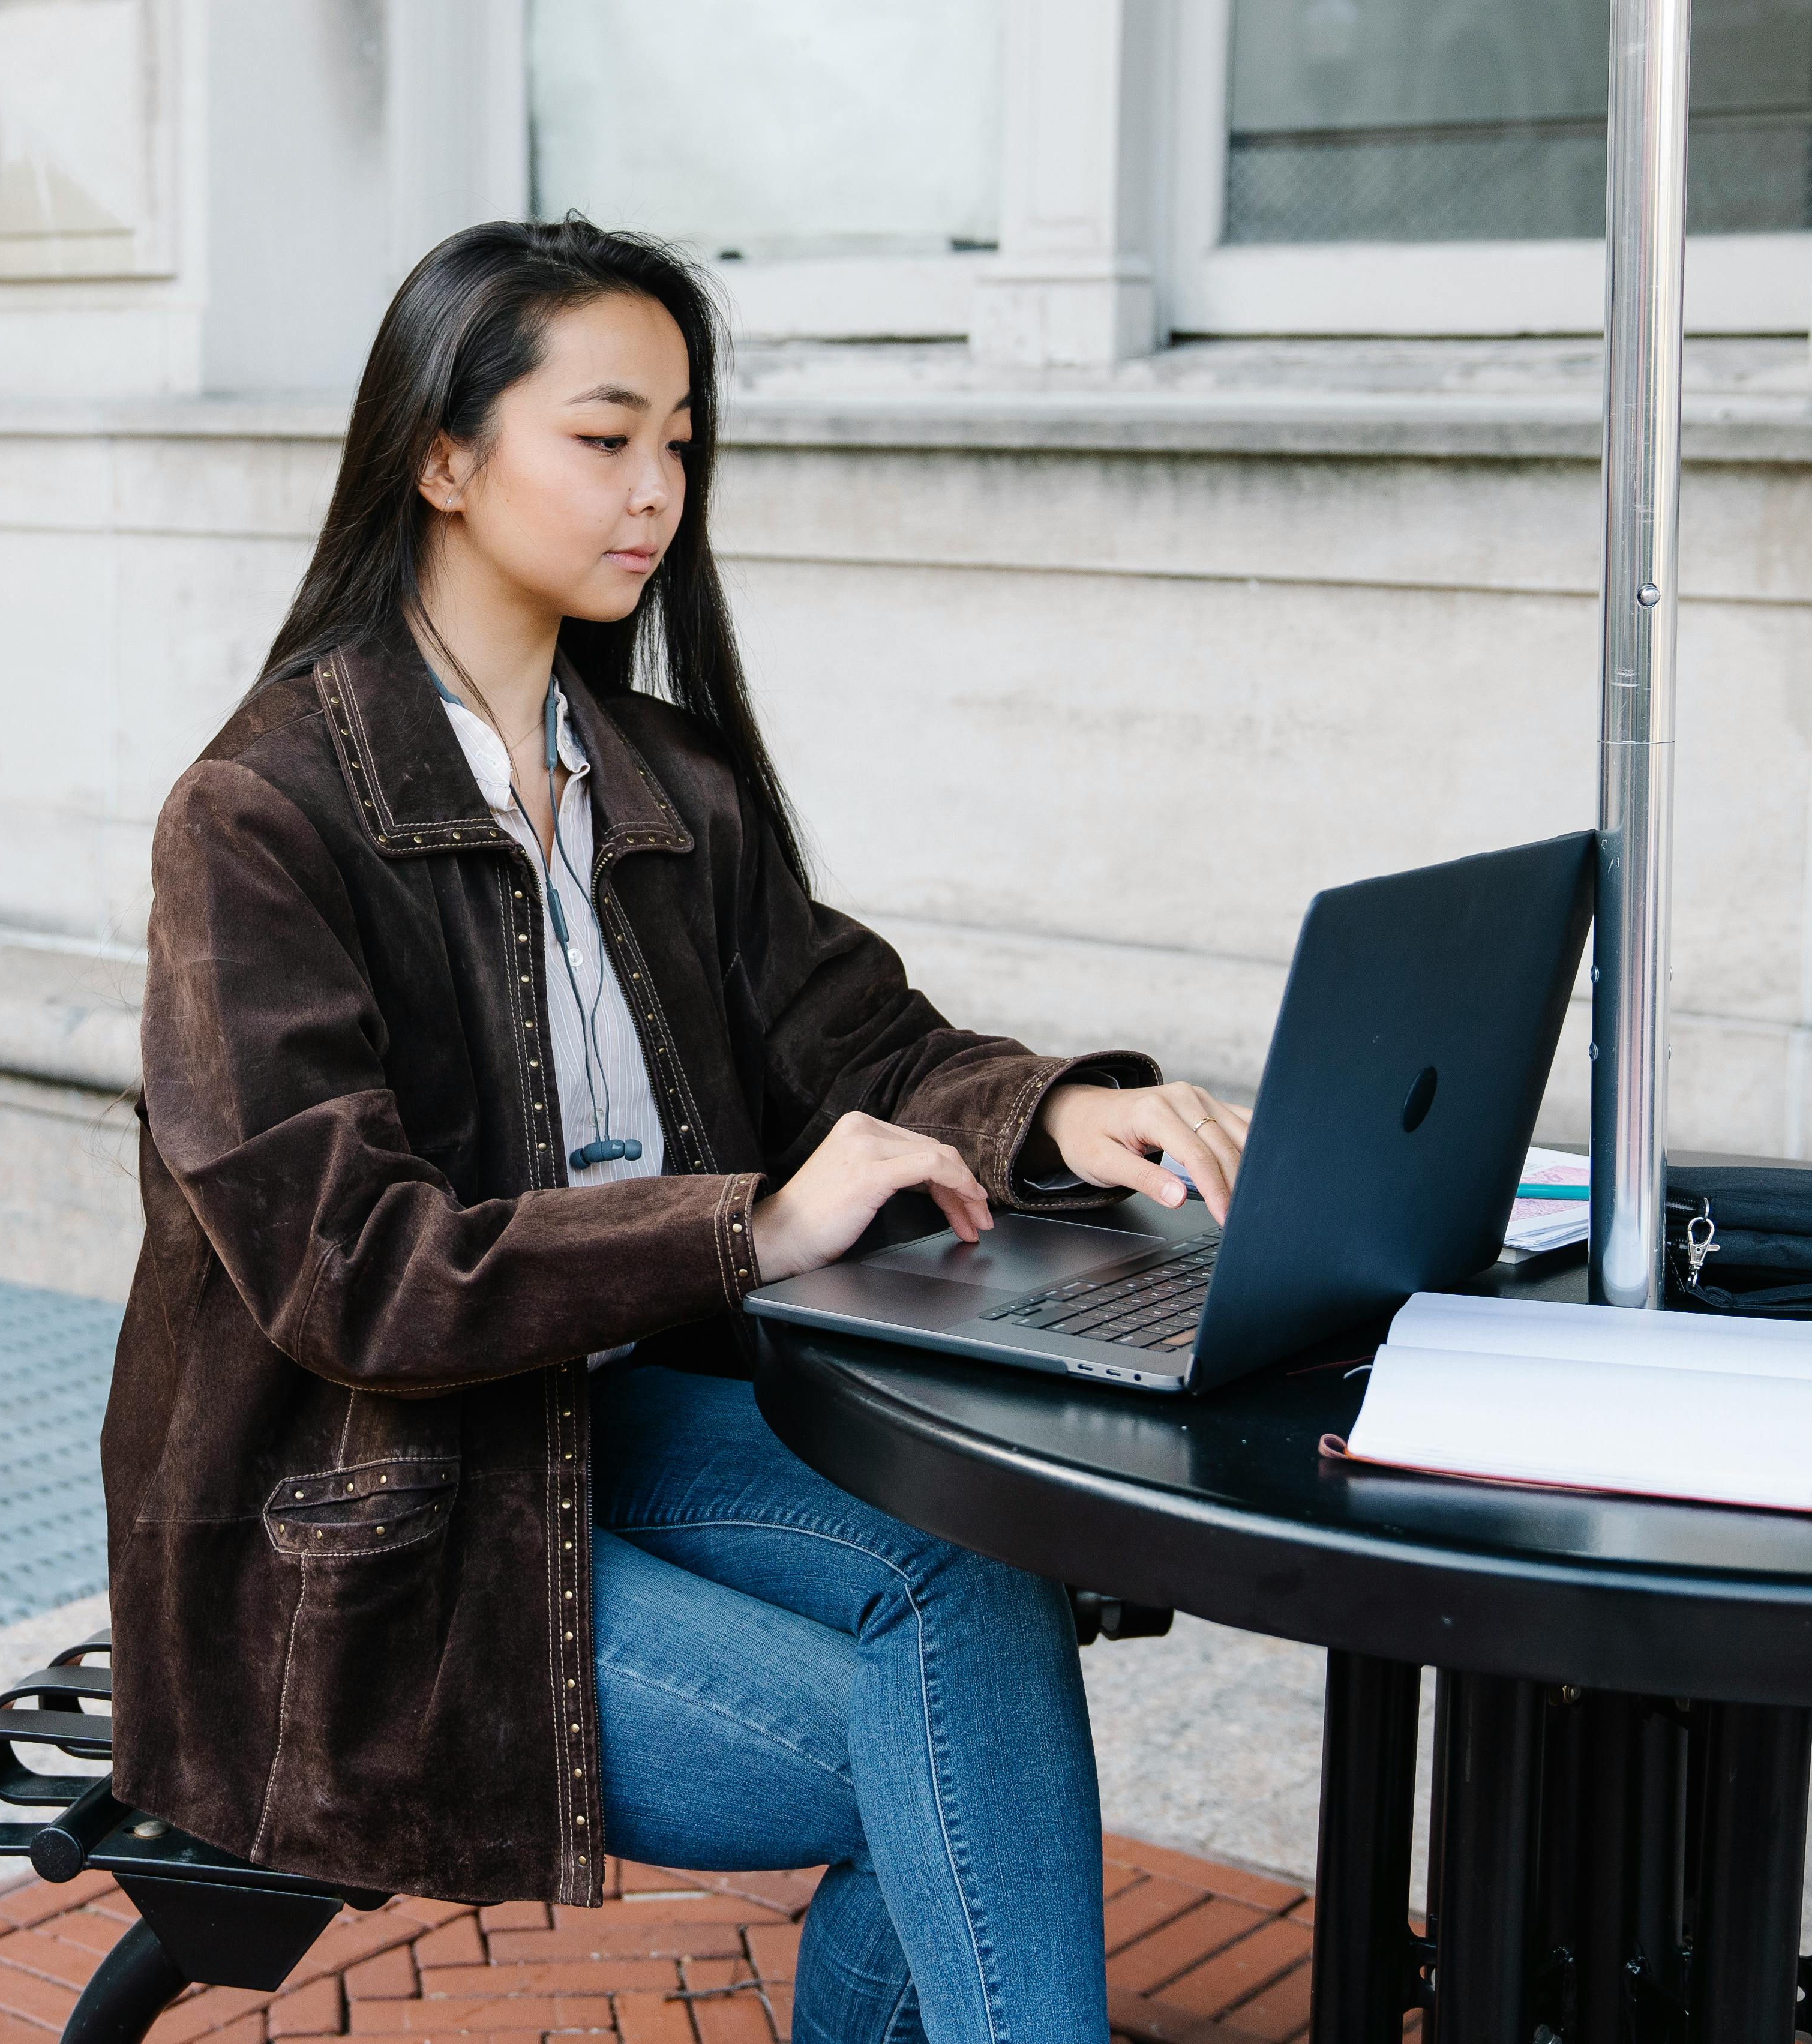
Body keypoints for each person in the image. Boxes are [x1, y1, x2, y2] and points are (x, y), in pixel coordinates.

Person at [103, 218, 1250, 2044]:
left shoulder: (662, 781)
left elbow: (856, 1040)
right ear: (443, 456)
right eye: (606, 436)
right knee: (935, 1762)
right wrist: (751, 1229)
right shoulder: (262, 817)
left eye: (683, 443)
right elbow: (353, 1275)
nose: (657, 491)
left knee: (979, 1568)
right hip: (382, 1524)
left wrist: (1063, 1110)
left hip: (617, 1423)